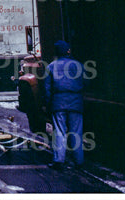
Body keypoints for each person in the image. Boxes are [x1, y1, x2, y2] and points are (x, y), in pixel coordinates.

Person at [44, 40, 85, 170]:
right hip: (76, 101)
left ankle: (58, 160)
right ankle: (79, 161)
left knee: (59, 132)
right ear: (68, 51)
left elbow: (47, 89)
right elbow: (86, 82)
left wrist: (47, 104)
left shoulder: (51, 66)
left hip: (58, 102)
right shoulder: (78, 65)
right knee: (76, 132)